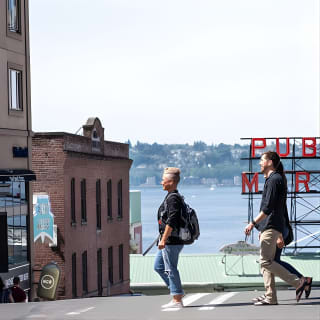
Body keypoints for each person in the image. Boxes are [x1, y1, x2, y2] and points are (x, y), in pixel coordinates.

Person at [245, 151, 309, 306]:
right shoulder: (272, 180)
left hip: (272, 226)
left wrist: (253, 223)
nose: (259, 163)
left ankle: (298, 282)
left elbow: (269, 208)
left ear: (270, 162)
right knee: (267, 262)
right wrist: (261, 228)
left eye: (262, 160)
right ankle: (270, 297)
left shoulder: (274, 180)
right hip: (269, 226)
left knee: (266, 261)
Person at [154, 167, 185, 308]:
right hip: (168, 239)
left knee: (170, 268)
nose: (161, 182)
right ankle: (176, 291)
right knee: (159, 266)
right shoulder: (171, 197)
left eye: (163, 180)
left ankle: (177, 298)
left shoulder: (173, 198)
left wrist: (164, 239)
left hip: (171, 241)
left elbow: (172, 220)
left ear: (171, 182)